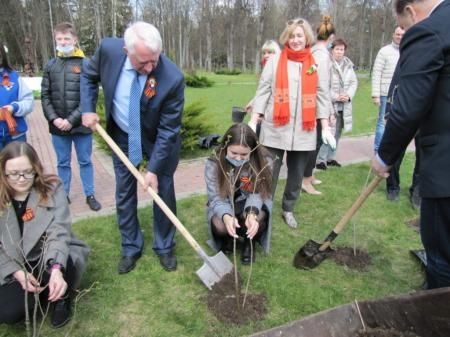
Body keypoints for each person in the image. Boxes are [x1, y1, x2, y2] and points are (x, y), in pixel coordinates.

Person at [81, 22, 184, 274]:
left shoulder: (172, 78)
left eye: (154, 60)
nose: (150, 68)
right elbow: (88, 75)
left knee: (163, 191)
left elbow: (169, 130)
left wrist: (153, 169)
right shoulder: (108, 50)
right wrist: (87, 108)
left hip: (158, 140)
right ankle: (130, 247)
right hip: (123, 136)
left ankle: (164, 246)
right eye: (143, 63)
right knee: (125, 193)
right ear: (127, 51)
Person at [372, 0, 450, 289]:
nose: (405, 31)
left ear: (411, 12)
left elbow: (407, 109)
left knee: (442, 257)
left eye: (404, 27)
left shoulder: (428, 31)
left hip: (445, 169)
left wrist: (384, 157)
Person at [248, 18, 335, 229]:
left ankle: (288, 208)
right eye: (292, 36)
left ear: (307, 37)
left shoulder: (315, 62)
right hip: (275, 127)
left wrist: (325, 126)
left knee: (296, 175)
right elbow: (264, 90)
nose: (295, 40)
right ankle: (261, 209)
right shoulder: (276, 60)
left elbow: (322, 95)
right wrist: (253, 120)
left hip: (304, 130)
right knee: (268, 173)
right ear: (286, 37)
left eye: (299, 36)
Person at [0, 141, 89, 328]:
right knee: (9, 313)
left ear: (36, 168)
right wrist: (16, 272)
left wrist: (56, 269)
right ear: (3, 172)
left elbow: (58, 232)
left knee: (65, 265)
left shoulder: (51, 188)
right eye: (14, 174)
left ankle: (60, 298)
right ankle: (39, 294)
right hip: (14, 261)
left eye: (28, 171)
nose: (21, 179)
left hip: (45, 255)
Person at [41, 22, 101, 211]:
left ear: (75, 39)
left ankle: (89, 194)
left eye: (67, 38)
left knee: (85, 161)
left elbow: (89, 96)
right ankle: (63, 195)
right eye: (59, 39)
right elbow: (45, 95)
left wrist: (71, 120)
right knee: (62, 162)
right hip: (58, 127)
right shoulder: (50, 65)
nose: (63, 42)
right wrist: (55, 119)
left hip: (81, 125)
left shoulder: (86, 64)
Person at [205, 124, 273, 264]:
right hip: (226, 200)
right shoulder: (214, 162)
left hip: (251, 199)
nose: (237, 158)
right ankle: (228, 240)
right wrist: (226, 216)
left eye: (244, 154)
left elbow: (258, 192)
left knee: (257, 218)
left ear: (253, 150)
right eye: (233, 153)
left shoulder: (264, 161)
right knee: (220, 224)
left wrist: (251, 213)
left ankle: (250, 242)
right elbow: (216, 197)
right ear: (225, 147)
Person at [302, 15, 336, 195]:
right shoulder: (321, 56)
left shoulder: (315, 52)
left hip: (312, 104)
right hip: (315, 107)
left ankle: (310, 175)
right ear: (331, 37)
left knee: (315, 144)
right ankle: (305, 181)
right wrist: (328, 112)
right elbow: (322, 87)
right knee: (313, 145)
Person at [316, 38, 358, 170]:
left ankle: (331, 157)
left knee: (337, 133)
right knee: (327, 132)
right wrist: (336, 97)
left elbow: (353, 83)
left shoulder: (348, 65)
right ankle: (320, 159)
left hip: (344, 105)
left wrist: (348, 96)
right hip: (330, 104)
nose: (340, 52)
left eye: (342, 49)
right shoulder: (326, 64)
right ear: (332, 50)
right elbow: (323, 85)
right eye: (337, 49)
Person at [371, 26, 404, 154]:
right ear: (393, 35)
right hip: (385, 94)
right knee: (382, 122)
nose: (400, 37)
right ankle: (378, 150)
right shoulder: (384, 51)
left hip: (401, 94)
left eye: (402, 35)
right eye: (398, 34)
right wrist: (376, 94)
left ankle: (391, 150)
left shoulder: (407, 51)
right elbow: (376, 72)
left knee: (397, 123)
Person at [0, 43, 34, 150]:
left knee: (18, 166)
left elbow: (28, 101)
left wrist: (14, 107)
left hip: (15, 136)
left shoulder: (14, 77)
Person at [247, 40, 281, 134]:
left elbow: (271, 93)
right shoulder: (266, 68)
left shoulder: (279, 70)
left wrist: (260, 114)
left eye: (270, 52)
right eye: (264, 53)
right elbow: (263, 91)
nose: (266, 55)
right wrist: (253, 102)